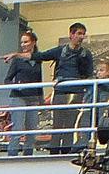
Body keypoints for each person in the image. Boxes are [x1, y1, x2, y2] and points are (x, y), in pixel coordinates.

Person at [36, 22, 96, 152]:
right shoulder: (60, 51)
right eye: (79, 34)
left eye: (83, 34)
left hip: (76, 92)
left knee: (70, 123)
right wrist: (18, 55)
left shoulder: (86, 54)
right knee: (58, 122)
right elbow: (41, 56)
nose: (81, 37)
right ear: (71, 34)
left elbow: (88, 74)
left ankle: (65, 150)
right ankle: (55, 149)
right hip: (61, 92)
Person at [1, 30, 45, 156]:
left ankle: (28, 154)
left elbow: (39, 80)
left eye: (26, 42)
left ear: (33, 43)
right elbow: (7, 79)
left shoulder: (37, 60)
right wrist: (17, 86)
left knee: (32, 128)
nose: (23, 45)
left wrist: (41, 100)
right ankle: (12, 154)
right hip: (18, 97)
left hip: (33, 98)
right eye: (22, 43)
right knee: (18, 127)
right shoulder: (17, 60)